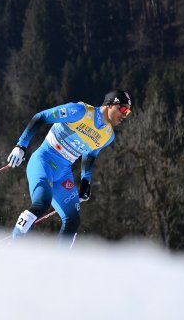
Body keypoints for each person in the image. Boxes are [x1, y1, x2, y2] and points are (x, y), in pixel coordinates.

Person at [7, 89, 132, 246]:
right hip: (43, 161)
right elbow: (41, 117)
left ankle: (60, 264)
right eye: (123, 109)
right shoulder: (80, 111)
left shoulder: (108, 135)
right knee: (42, 203)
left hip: (63, 173)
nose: (124, 115)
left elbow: (90, 154)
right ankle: (13, 244)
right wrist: (21, 145)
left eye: (128, 112)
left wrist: (86, 181)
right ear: (111, 104)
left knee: (73, 220)